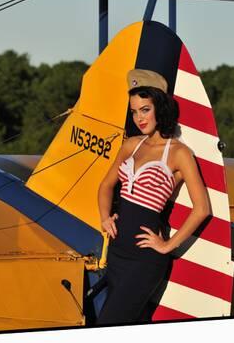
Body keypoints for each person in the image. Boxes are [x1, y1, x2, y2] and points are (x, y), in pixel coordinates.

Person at [96, 69, 210, 325]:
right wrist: (104, 218)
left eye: (145, 109)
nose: (139, 118)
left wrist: (168, 245)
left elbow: (202, 208)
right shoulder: (130, 145)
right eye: (134, 111)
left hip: (145, 260)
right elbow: (105, 186)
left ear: (160, 106)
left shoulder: (179, 153)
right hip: (116, 252)